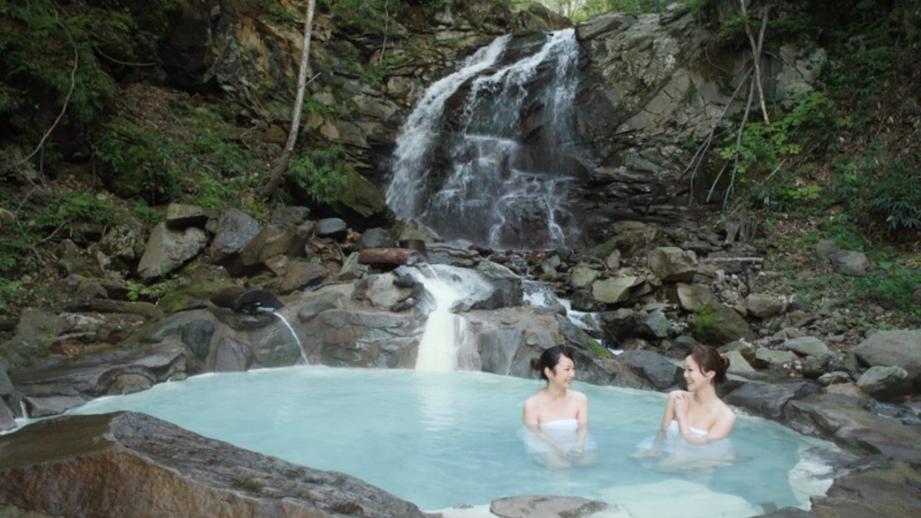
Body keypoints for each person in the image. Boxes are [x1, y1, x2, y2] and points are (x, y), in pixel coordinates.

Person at [521, 345, 596, 468]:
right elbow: (534, 432)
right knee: (561, 465)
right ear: (549, 372)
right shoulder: (532, 404)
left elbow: (583, 428)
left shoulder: (580, 399)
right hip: (544, 443)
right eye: (567, 369)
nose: (572, 374)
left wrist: (578, 447)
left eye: (573, 369)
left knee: (588, 461)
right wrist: (558, 447)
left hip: (573, 442)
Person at [659, 344, 736, 445]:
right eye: (685, 369)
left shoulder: (725, 416)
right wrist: (654, 452)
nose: (685, 375)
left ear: (710, 374)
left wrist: (682, 416)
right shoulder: (676, 397)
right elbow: (662, 434)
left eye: (690, 370)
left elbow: (699, 447)